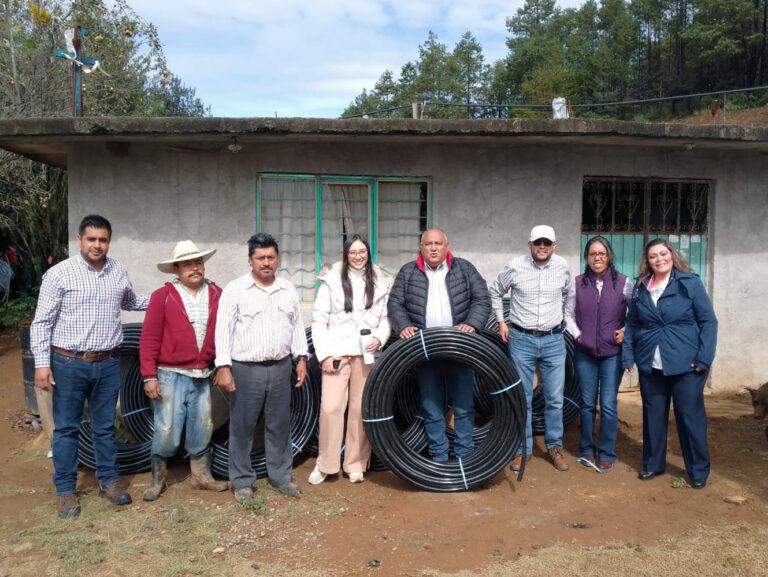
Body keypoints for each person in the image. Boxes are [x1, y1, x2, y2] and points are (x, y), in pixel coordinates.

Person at [30, 214, 149, 518]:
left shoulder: (118, 270)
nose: (97, 245)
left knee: (105, 427)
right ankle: (66, 491)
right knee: (67, 429)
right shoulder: (59, 274)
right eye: (91, 239)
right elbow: (42, 323)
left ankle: (108, 482)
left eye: (103, 239)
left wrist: (168, 295)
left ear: (109, 241)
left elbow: (131, 302)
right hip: (69, 362)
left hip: (108, 362)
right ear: (79, 240)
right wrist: (42, 364)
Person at [214, 232, 308, 503]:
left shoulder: (287, 288)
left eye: (271, 257)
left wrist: (301, 358)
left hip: (280, 367)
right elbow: (223, 330)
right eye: (260, 258)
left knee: (279, 424)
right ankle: (242, 481)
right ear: (250, 261)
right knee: (242, 426)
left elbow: (296, 326)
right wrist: (224, 367)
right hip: (246, 368)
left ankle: (280, 477)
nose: (266, 262)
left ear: (277, 259)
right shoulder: (236, 290)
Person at [387, 228, 490, 463]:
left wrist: (472, 324)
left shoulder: (464, 269)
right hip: (425, 352)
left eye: (438, 243)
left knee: (464, 407)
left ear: (447, 246)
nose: (433, 248)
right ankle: (439, 459)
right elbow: (395, 304)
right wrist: (402, 325)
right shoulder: (408, 272)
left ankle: (465, 459)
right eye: (428, 244)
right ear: (421, 247)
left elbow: (482, 299)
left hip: (459, 350)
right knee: (432, 408)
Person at [622, 239, 717, 489]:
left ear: (672, 255)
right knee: (653, 416)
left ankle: (697, 470)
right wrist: (628, 355)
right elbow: (632, 324)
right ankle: (653, 464)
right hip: (651, 364)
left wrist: (704, 358)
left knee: (689, 418)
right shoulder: (642, 287)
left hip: (686, 364)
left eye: (663, 254)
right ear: (648, 261)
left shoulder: (689, 283)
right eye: (653, 256)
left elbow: (708, 321)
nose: (659, 259)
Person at [139, 240, 229, 501]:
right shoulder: (162, 296)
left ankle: (201, 476)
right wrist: (149, 376)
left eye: (198, 262)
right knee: (166, 428)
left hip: (203, 374)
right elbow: (149, 339)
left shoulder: (217, 294)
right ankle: (157, 480)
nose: (195, 268)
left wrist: (222, 364)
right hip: (170, 374)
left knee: (203, 425)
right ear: (176, 269)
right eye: (188, 264)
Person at [308, 235, 391, 485]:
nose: (358, 256)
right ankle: (326, 463)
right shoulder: (331, 282)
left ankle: (355, 463)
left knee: (359, 410)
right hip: (337, 352)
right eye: (353, 252)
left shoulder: (381, 282)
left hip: (365, 354)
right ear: (346, 254)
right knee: (331, 408)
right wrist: (324, 354)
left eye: (362, 251)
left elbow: (386, 319)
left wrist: (379, 337)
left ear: (368, 253)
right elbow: (318, 321)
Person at [489, 225, 571, 472]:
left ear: (554, 246)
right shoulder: (515, 266)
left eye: (547, 243)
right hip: (521, 339)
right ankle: (521, 449)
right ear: (530, 245)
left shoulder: (562, 267)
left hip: (554, 341)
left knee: (555, 399)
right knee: (522, 397)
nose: (542, 247)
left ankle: (554, 446)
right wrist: (502, 322)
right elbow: (495, 291)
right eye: (538, 243)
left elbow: (567, 295)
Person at [564, 236, 632, 471]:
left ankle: (606, 451)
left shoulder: (623, 283)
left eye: (602, 253)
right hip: (585, 353)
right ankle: (586, 448)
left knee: (609, 404)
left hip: (612, 354)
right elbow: (568, 313)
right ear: (587, 258)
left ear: (609, 256)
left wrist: (625, 330)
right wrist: (577, 334)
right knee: (586, 403)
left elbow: (636, 314)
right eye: (593, 254)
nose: (597, 258)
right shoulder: (578, 283)